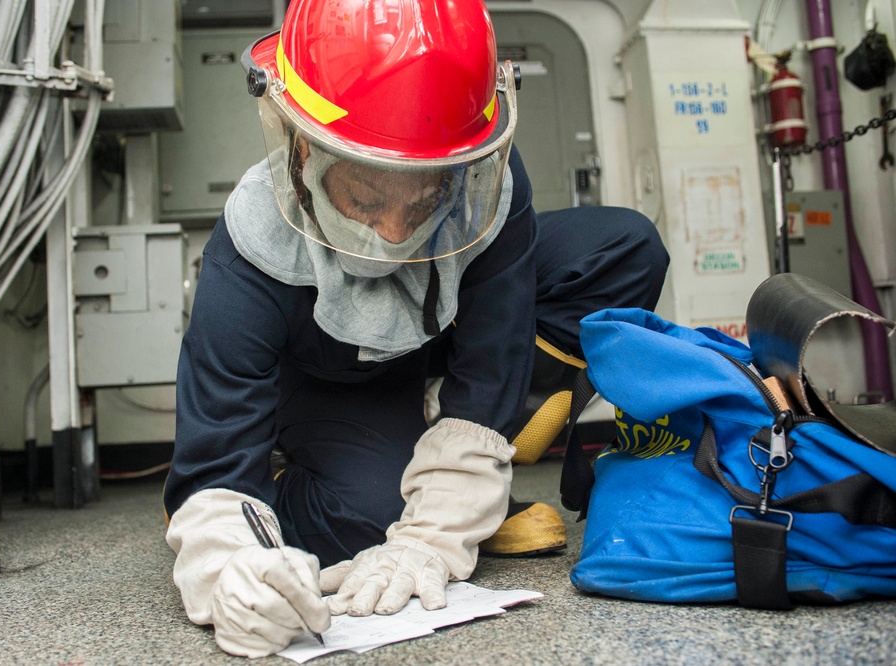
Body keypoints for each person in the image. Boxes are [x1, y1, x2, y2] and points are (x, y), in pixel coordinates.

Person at [162, 0, 669, 658]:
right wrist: (231, 560)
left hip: (443, 345)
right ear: (302, 148)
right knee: (373, 516)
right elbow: (215, 467)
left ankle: (462, 472)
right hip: (338, 383)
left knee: (623, 249)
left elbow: (492, 356)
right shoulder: (246, 252)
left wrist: (436, 535)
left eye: (426, 193)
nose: (399, 233)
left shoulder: (484, 176)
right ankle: (307, 492)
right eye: (366, 197)